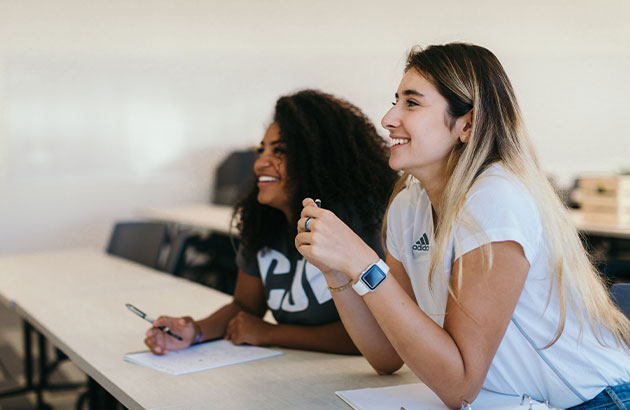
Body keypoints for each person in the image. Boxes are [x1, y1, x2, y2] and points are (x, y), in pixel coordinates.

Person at [295, 43, 630, 409]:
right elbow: (387, 355)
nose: (388, 118)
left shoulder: (495, 198)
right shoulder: (409, 203)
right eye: (396, 100)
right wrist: (338, 270)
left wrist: (363, 263)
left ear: (467, 124)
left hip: (600, 401)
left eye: (412, 103)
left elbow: (460, 386)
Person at [145, 89, 397, 355]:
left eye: (279, 151)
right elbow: (245, 306)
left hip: (353, 380)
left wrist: (271, 333)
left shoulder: (363, 222)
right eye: (261, 150)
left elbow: (376, 335)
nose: (260, 163)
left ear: (317, 158)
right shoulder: (262, 220)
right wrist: (194, 331)